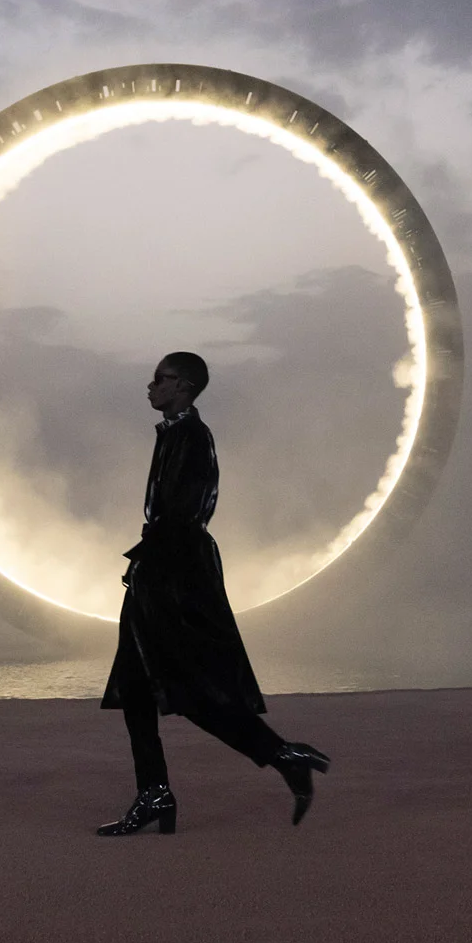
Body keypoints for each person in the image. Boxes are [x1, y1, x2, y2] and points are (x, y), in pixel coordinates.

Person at [96, 352, 331, 836]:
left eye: (159, 379)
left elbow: (182, 516)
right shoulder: (177, 433)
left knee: (188, 687)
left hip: (174, 577)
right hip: (161, 571)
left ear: (182, 385)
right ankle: (157, 792)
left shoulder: (192, 437)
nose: (149, 386)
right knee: (140, 687)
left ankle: (280, 754)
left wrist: (147, 561)